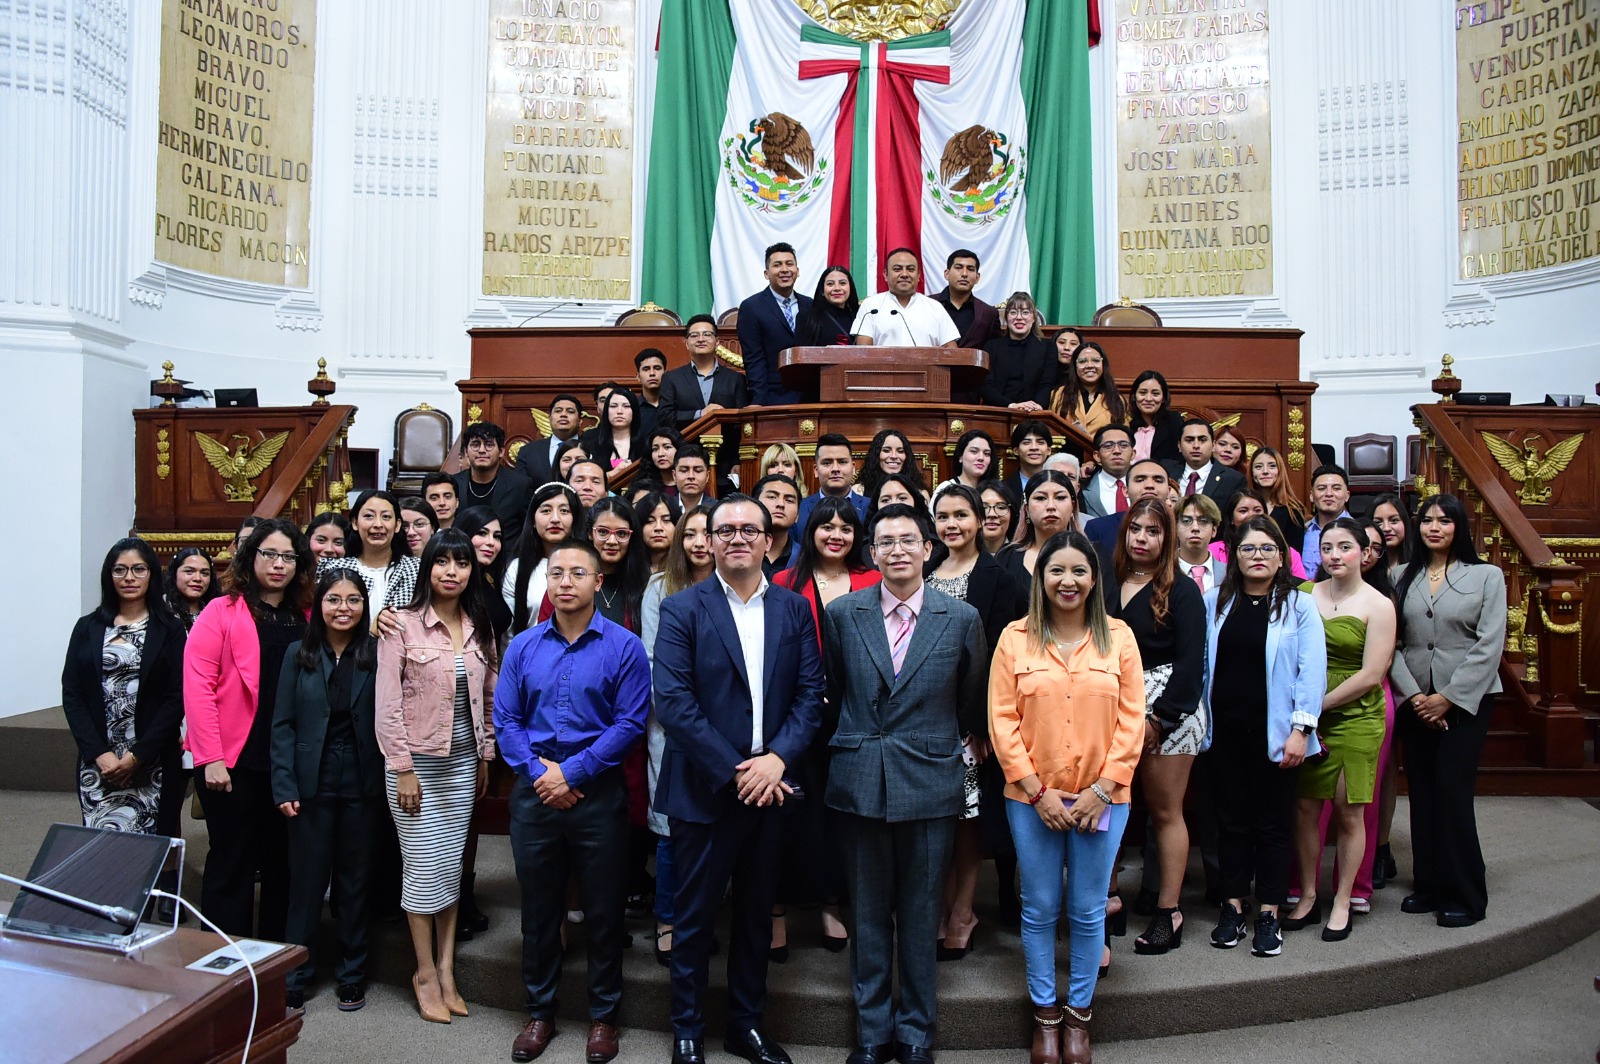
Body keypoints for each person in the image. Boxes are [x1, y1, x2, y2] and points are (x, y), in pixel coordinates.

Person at [653, 495, 825, 1064]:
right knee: (694, 918)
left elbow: (809, 696)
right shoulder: (683, 608)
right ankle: (687, 1028)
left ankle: (745, 1025)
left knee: (756, 916)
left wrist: (775, 761)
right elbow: (674, 705)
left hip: (772, 786)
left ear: (768, 538)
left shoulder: (794, 609)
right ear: (707, 541)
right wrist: (737, 773)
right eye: (722, 530)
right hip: (705, 787)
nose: (736, 539)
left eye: (748, 529)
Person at [824, 503, 986, 1064]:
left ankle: (916, 1032)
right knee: (867, 914)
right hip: (860, 774)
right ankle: (872, 1033)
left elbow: (969, 698)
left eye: (907, 540)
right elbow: (838, 686)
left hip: (929, 775)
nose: (896, 550)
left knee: (921, 917)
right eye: (885, 541)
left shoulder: (959, 617)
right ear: (871, 553)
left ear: (927, 549)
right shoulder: (844, 613)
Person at [989, 529, 1144, 1064]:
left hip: (1105, 797)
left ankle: (1079, 1017)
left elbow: (1132, 720)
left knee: (1085, 910)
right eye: (1057, 571)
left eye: (1079, 570)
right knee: (1038, 909)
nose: (1068, 580)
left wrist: (1103, 789)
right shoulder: (1015, 638)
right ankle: (1045, 1018)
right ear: (1041, 578)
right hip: (1032, 798)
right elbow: (1002, 720)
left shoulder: (1119, 637)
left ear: (1095, 579)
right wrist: (1037, 792)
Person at [498, 539, 651, 1064]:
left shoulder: (624, 646)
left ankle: (603, 1017)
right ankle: (539, 1012)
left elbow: (630, 722)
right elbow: (507, 722)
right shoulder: (522, 645)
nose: (565, 581)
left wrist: (573, 772)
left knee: (604, 911)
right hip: (536, 791)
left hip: (598, 792)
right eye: (557, 572)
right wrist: (544, 775)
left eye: (577, 572)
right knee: (539, 912)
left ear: (597, 582)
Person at [376, 528, 499, 1023]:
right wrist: (403, 768)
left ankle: (448, 970)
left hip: (464, 762)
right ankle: (423, 972)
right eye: (442, 561)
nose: (452, 571)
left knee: (450, 869)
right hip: (417, 765)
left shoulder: (480, 626)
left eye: (462, 562)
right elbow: (386, 706)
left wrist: (486, 755)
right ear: (427, 567)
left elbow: (488, 700)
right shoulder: (400, 625)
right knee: (422, 870)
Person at [1203, 516, 1327, 959]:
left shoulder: (1299, 604)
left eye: (1266, 549)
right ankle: (1234, 905)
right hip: (1224, 733)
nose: (1257, 556)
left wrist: (1301, 730)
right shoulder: (1214, 600)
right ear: (1234, 556)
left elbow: (1312, 672)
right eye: (1248, 549)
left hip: (1278, 737)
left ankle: (1270, 911)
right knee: (1230, 823)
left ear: (1281, 557)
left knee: (1272, 827)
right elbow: (1203, 668)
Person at [185, 518, 314, 940]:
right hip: (233, 759)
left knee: (284, 862)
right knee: (232, 860)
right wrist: (211, 759)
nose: (279, 564)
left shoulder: (308, 614)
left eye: (288, 557)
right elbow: (199, 688)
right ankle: (226, 963)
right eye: (269, 554)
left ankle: (276, 962)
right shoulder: (220, 611)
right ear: (250, 556)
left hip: (288, 760)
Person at [1389, 494, 1506, 929]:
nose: (1434, 527)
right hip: (1416, 698)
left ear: (1460, 526)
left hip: (1468, 699)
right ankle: (1429, 885)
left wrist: (1449, 697)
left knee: (1453, 793)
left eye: (1444, 520)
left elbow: (1490, 644)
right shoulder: (1400, 574)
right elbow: (1393, 643)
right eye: (1426, 520)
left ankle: (1466, 894)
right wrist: (1417, 697)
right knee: (1421, 792)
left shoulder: (1486, 575)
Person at [271, 571, 383, 1012]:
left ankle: (352, 973)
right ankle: (296, 972)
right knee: (307, 883)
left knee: (355, 883)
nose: (344, 609)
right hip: (309, 782)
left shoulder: (378, 654)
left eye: (353, 600)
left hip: (363, 781)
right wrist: (284, 784)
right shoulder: (297, 654)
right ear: (319, 605)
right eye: (334, 599)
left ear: (364, 606)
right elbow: (282, 725)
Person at [924, 485, 1028, 961]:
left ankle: (963, 911)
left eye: (961, 515)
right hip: (924, 716)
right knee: (936, 822)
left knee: (967, 822)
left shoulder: (997, 577)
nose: (952, 525)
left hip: (970, 719)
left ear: (979, 518)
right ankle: (940, 909)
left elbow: (997, 658)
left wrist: (982, 725)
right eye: (943, 516)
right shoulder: (925, 571)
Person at [1282, 518, 1395, 942]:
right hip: (1305, 716)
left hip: (1356, 715)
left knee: (1350, 812)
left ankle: (1344, 899)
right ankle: (1308, 895)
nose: (1334, 556)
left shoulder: (1378, 604)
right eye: (1327, 548)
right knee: (1305, 810)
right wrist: (1300, 711)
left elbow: (1371, 674)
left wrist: (1315, 707)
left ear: (1363, 552)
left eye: (1344, 547)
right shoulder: (1302, 594)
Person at [1102, 501, 1206, 957]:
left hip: (1170, 708)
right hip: (1109, 704)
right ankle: (1107, 902)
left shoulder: (1182, 590)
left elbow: (1191, 663)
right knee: (1106, 807)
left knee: (1165, 812)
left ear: (1168, 539)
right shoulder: (1105, 581)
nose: (1142, 538)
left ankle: (1169, 912)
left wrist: (1159, 718)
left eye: (1153, 531)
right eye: (1135, 529)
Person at [63, 538, 186, 848]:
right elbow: (73, 694)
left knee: (156, 849)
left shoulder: (169, 628)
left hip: (153, 758)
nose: (129, 578)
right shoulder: (87, 627)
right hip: (100, 760)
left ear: (152, 575)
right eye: (120, 570)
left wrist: (138, 756)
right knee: (103, 849)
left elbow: (178, 695)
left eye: (138, 569)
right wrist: (100, 754)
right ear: (109, 575)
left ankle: (157, 899)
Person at [641, 504, 717, 969]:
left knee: (714, 826)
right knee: (672, 827)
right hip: (671, 725)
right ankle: (668, 916)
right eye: (690, 534)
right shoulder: (658, 588)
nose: (700, 542)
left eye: (708, 533)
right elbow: (653, 661)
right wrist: (681, 715)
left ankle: (702, 917)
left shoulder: (734, 587)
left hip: (725, 729)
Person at [321, 490, 421, 622]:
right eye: (369, 516)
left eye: (386, 517)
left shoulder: (417, 569)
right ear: (355, 523)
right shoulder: (334, 569)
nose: (378, 524)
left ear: (397, 525)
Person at [739, 242, 813, 406]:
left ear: (797, 271)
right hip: (772, 397)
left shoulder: (811, 305)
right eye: (777, 265)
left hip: (810, 396)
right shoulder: (751, 307)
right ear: (767, 273)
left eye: (789, 264)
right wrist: (758, 399)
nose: (785, 269)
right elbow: (753, 359)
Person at [505, 483, 584, 635]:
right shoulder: (516, 568)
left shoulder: (589, 565)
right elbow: (509, 634)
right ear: (533, 520)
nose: (555, 519)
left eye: (564, 511)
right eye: (546, 510)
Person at [851, 248, 960, 348]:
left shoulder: (935, 307)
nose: (904, 274)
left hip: (927, 369)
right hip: (882, 369)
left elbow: (951, 350)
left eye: (910, 269)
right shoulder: (871, 306)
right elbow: (863, 351)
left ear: (918, 276)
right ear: (885, 274)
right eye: (897, 269)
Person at [659, 316, 751, 434]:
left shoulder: (736, 379)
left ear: (717, 342)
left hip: (727, 447)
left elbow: (743, 420)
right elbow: (664, 417)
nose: (701, 339)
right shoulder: (671, 378)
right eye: (694, 335)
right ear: (686, 343)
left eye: (707, 334)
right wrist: (701, 414)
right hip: (685, 448)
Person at [452, 421, 532, 541]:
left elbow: (528, 529)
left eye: (489, 445)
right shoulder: (454, 484)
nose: (482, 450)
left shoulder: (520, 485)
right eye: (475, 445)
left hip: (506, 556)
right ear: (466, 452)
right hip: (462, 555)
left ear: (501, 451)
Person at [1000, 470, 1080, 584]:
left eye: (1060, 497)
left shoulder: (1095, 554)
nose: (1051, 506)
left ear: (1073, 505)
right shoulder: (1006, 557)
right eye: (1041, 498)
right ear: (1026, 508)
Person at [1212, 490, 1310, 579]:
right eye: (1243, 511)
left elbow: (1302, 588)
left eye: (1257, 510)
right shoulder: (1213, 551)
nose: (1251, 515)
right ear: (1231, 519)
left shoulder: (1289, 553)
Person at [980, 293, 1054, 411]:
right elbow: (986, 386)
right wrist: (1011, 406)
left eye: (1025, 312)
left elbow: (1046, 384)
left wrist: (1038, 406)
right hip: (998, 412)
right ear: (1006, 317)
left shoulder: (1048, 347)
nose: (1019, 317)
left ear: (1034, 317)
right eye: (1013, 312)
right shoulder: (991, 346)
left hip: (1033, 413)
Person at [1085, 460, 1166, 558]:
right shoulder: (1098, 528)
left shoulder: (1182, 527)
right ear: (1125, 491)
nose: (1150, 485)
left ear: (1169, 490)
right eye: (1140, 480)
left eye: (1158, 480)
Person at [1163, 417, 1247, 506]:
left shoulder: (1233, 479)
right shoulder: (1166, 470)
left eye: (1202, 440)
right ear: (1179, 446)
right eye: (1189, 440)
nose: (1196, 445)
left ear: (1213, 445)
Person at [1052, 340, 1126, 436]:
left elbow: (1123, 436)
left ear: (1103, 365)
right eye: (1083, 361)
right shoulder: (1058, 394)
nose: (1090, 366)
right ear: (1075, 366)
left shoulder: (1117, 399)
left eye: (1096, 360)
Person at [931, 248, 1000, 349]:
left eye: (970, 269)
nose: (964, 274)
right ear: (946, 274)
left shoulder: (989, 314)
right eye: (958, 268)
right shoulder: (928, 304)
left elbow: (995, 352)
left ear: (977, 277)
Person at [796, 433, 868, 529]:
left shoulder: (870, 507)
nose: (835, 469)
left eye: (842, 462)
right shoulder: (799, 508)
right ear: (816, 470)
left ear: (853, 468)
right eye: (827, 463)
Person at [516, 395, 586, 486]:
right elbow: (521, 488)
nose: (563, 414)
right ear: (550, 419)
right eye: (558, 411)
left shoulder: (594, 449)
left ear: (580, 421)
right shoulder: (528, 452)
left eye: (570, 411)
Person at [1126, 370, 1183, 465]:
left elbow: (1178, 461)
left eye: (1155, 394)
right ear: (1134, 396)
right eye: (1143, 393)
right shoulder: (1126, 424)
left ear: (1163, 398)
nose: (1148, 399)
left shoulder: (1174, 421)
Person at [797, 265, 862, 348]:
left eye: (842, 283)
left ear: (850, 288)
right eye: (830, 284)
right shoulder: (807, 317)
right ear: (822, 291)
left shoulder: (860, 315)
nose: (837, 288)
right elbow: (800, 355)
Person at [1079, 424, 1136, 520]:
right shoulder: (1083, 488)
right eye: (1108, 446)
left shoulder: (1145, 486)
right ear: (1097, 456)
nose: (1117, 451)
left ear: (1133, 454)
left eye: (1123, 445)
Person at [1302, 464, 1353, 569]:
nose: (1329, 494)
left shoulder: (1359, 532)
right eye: (1322, 488)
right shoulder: (1301, 531)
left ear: (1347, 496)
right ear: (1311, 496)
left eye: (1336, 488)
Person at [857, 428, 928, 502]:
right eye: (886, 450)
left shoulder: (922, 494)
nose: (894, 456)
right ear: (876, 455)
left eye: (900, 451)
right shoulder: (859, 491)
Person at [1174, 494, 1227, 594]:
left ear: (1214, 529)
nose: (1195, 528)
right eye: (1186, 521)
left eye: (1203, 521)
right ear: (1175, 528)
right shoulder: (1161, 572)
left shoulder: (1228, 574)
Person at [1249, 447, 1306, 536]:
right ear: (1251, 472)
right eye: (1258, 467)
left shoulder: (1293, 510)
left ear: (1280, 471)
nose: (1265, 471)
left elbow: (1294, 549)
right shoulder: (1244, 506)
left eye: (1272, 466)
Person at [754, 474, 802, 576]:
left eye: (789, 500)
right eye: (772, 497)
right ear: (754, 505)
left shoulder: (806, 558)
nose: (780, 504)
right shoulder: (739, 551)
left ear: (797, 515)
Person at [588, 388, 644, 475]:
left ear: (634, 411)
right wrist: (612, 474)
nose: (619, 411)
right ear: (606, 411)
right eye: (613, 406)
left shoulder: (646, 444)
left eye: (626, 406)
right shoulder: (591, 444)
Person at [165, 546, 219, 629]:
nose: (197, 578)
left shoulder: (216, 610)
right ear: (174, 574)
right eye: (189, 572)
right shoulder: (160, 609)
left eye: (204, 573)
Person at [1002, 421, 1054, 501]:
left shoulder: (1060, 483)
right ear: (1016, 450)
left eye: (1040, 442)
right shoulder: (1004, 488)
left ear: (1048, 450)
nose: (1034, 447)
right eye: (1026, 443)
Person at [934, 429, 996, 495]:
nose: (981, 458)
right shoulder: (946, 488)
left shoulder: (993, 492)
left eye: (986, 453)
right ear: (960, 456)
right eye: (974, 451)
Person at [637, 492, 681, 573]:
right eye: (650, 521)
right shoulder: (627, 567)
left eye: (666, 520)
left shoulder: (686, 568)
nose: (658, 528)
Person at [978, 480, 1020, 556]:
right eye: (984, 507)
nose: (992, 514)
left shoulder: (1023, 558)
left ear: (1012, 515)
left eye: (1001, 507)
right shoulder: (962, 557)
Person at [673, 443, 715, 512]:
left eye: (698, 471)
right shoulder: (664, 508)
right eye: (684, 470)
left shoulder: (718, 509)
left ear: (707, 476)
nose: (691, 476)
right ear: (674, 475)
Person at [636, 348, 667, 437]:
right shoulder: (631, 408)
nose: (652, 373)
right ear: (638, 376)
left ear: (666, 373)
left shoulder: (677, 405)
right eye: (646, 369)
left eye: (657, 368)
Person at [648, 427, 683, 494]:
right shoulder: (645, 487)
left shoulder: (691, 484)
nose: (660, 454)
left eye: (667, 447)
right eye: (655, 449)